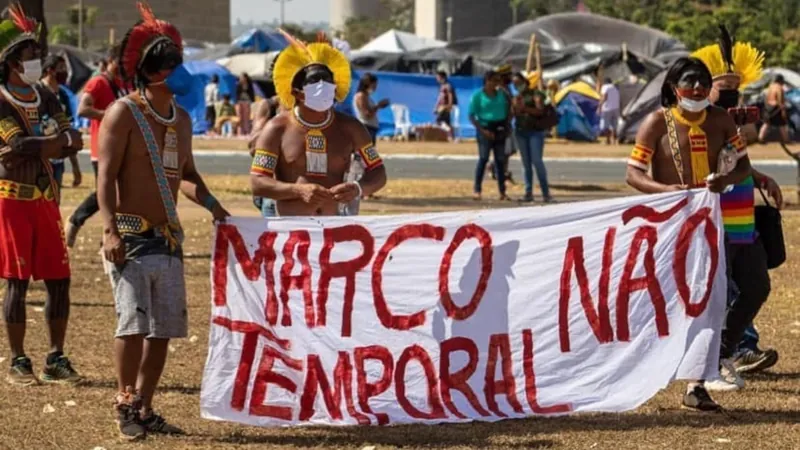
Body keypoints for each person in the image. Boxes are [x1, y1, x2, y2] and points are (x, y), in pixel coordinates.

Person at [97, 3, 229, 439]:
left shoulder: (183, 120)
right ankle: (124, 402)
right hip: (131, 238)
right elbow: (106, 176)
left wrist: (214, 208)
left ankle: (146, 407)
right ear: (156, 70)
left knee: (162, 331)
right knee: (133, 326)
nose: (179, 72)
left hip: (169, 238)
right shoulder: (122, 113)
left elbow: (187, 177)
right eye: (171, 64)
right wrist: (110, 229)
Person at [625, 56, 752, 412]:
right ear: (672, 87)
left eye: (702, 82)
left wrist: (724, 180)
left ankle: (697, 383)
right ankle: (642, 370)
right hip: (669, 226)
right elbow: (633, 173)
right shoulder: (656, 122)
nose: (697, 88)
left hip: (709, 223)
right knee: (665, 299)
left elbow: (743, 165)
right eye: (689, 82)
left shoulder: (721, 120)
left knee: (708, 298)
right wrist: (664, 190)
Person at [0, 4, 83, 385]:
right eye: (30, 55)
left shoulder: (46, 96)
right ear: (12, 60)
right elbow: (16, 143)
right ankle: (18, 360)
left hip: (45, 196)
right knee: (16, 279)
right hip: (11, 199)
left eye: (36, 54)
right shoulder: (1, 100)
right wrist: (54, 143)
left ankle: (55, 357)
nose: (37, 60)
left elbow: (73, 139)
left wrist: (43, 144)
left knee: (58, 278)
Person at [692, 27, 781, 383]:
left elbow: (736, 161)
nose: (730, 98)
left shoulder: (731, 126)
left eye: (735, 92)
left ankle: (729, 350)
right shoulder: (701, 123)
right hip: (715, 222)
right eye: (723, 91)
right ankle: (725, 355)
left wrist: (759, 176)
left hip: (744, 220)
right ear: (708, 89)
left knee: (755, 286)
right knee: (722, 292)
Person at [250, 31, 387, 217]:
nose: (323, 88)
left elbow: (378, 171)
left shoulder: (351, 128)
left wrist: (357, 188)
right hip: (290, 231)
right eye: (315, 84)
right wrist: (298, 191)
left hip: (334, 230)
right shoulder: (277, 129)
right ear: (297, 93)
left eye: (328, 83)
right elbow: (258, 182)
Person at [64, 44, 128, 247]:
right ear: (111, 60)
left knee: (120, 194)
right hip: (102, 149)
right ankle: (76, 220)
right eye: (121, 62)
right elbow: (83, 109)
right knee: (107, 192)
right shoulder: (98, 82)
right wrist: (108, 115)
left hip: (122, 147)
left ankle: (108, 237)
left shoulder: (123, 83)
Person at [40, 53, 81, 193]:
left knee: (54, 204)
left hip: (58, 160)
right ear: (50, 70)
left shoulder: (63, 96)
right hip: (39, 159)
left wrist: (75, 166)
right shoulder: (37, 92)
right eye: (61, 68)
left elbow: (67, 129)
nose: (65, 72)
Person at [512, 72, 555, 203]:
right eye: (515, 84)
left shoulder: (536, 94)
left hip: (535, 132)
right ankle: (528, 192)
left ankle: (546, 193)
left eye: (519, 83)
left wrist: (525, 108)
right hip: (521, 131)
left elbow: (540, 110)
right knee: (526, 164)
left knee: (537, 161)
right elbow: (514, 113)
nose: (517, 86)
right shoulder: (516, 97)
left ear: (525, 82)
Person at [469, 70, 510, 201]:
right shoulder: (478, 96)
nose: (496, 84)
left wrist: (507, 126)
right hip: (484, 127)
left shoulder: (502, 95)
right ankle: (477, 189)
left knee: (500, 160)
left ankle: (502, 191)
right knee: (483, 158)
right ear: (487, 81)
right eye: (494, 81)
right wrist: (482, 130)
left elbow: (509, 109)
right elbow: (471, 115)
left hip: (500, 127)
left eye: (497, 81)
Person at [354, 73, 388, 144]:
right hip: (366, 129)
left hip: (369, 129)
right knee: (365, 153)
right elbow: (367, 114)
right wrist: (378, 106)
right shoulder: (361, 96)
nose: (375, 86)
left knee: (368, 153)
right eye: (374, 84)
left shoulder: (366, 96)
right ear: (368, 83)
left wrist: (378, 106)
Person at [758, 74, 790, 144]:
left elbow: (766, 98)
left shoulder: (770, 86)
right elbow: (780, 99)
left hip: (768, 107)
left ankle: (760, 138)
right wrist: (783, 110)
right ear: (780, 81)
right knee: (782, 124)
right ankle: (786, 140)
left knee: (766, 123)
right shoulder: (779, 87)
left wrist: (766, 107)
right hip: (776, 107)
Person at [435, 71, 457, 141]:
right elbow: (440, 97)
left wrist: (449, 106)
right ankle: (451, 137)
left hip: (447, 106)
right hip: (443, 106)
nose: (437, 79)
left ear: (442, 77)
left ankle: (449, 131)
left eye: (438, 77)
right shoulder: (442, 86)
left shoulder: (448, 86)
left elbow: (450, 95)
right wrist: (436, 107)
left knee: (438, 121)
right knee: (447, 122)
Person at [597, 77, 621, 145]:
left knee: (606, 126)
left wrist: (599, 107)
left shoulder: (605, 87)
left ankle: (608, 140)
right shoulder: (616, 88)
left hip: (607, 109)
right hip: (616, 108)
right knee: (614, 126)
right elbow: (619, 100)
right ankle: (614, 141)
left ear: (605, 82)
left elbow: (604, 97)